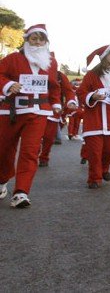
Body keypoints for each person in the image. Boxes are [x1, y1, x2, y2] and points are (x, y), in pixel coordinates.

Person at [0, 24, 62, 207]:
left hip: (38, 113)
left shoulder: (51, 63)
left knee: (30, 152)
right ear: (26, 40)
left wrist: (56, 103)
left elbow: (54, 86)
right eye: (33, 39)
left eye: (41, 39)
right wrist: (8, 85)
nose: (37, 42)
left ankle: (21, 192)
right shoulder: (12, 59)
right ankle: (2, 180)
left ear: (46, 42)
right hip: (11, 112)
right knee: (4, 150)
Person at [77, 45, 110, 189]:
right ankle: (94, 178)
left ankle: (104, 168)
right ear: (104, 56)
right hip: (94, 119)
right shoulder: (91, 75)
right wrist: (92, 96)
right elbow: (81, 93)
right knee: (94, 152)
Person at [39, 70, 77, 167]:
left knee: (48, 137)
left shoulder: (59, 75)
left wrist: (71, 101)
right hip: (34, 108)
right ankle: (31, 156)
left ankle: (44, 157)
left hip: (53, 109)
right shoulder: (29, 69)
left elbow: (68, 91)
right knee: (34, 137)